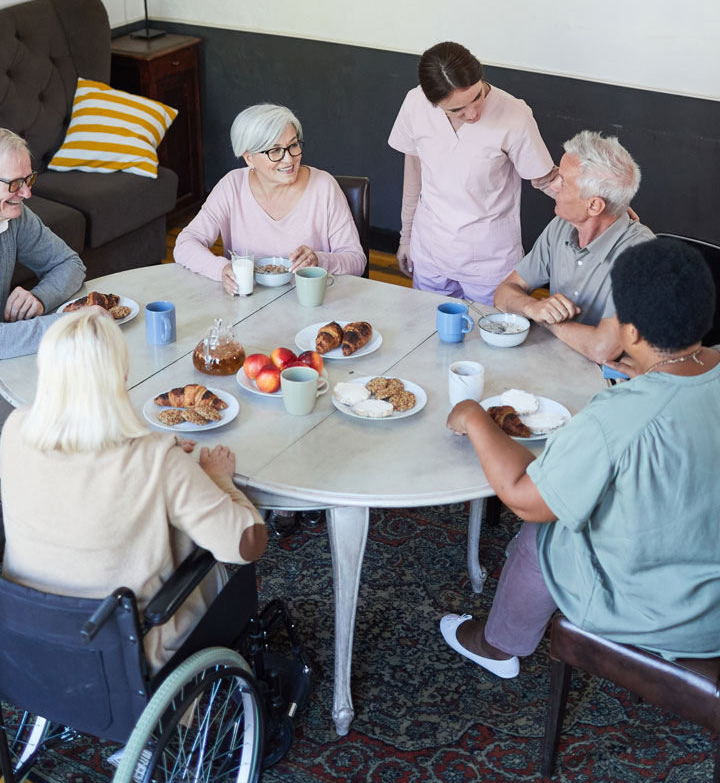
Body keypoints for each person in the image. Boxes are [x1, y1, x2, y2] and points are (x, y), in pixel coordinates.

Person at [440, 238, 720, 679]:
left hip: (665, 617)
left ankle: (498, 646)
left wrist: (476, 418)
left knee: (547, 530)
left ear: (629, 333)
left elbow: (524, 497)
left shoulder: (618, 414)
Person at [0, 309, 268, 672]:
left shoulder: (14, 429)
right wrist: (216, 478)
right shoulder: (157, 462)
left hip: (29, 641)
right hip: (127, 654)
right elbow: (246, 544)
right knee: (209, 564)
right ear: (122, 376)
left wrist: (158, 446)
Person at [388, 41, 556, 302]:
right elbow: (413, 175)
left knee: (490, 336)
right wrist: (406, 237)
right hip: (431, 249)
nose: (474, 113)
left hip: (490, 261)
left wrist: (604, 205)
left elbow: (547, 179)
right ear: (432, 102)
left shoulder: (514, 115)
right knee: (430, 330)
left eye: (477, 97)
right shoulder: (415, 104)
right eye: (457, 109)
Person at [493, 130, 653, 364]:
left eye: (564, 182)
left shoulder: (641, 255)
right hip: (556, 361)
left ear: (594, 206)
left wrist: (547, 319)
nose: (554, 185)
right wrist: (532, 307)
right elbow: (503, 292)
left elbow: (603, 350)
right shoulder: (561, 225)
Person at [175, 102, 365, 290]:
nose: (289, 159)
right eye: (275, 151)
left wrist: (319, 259)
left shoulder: (324, 187)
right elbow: (185, 243)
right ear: (249, 158)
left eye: (293, 145)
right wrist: (221, 269)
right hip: (247, 306)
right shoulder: (232, 186)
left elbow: (356, 260)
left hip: (311, 304)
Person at [0, 128, 85, 358]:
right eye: (15, 183)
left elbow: (70, 264)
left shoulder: (15, 216)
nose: (27, 193)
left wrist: (40, 298)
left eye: (29, 179)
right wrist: (76, 324)